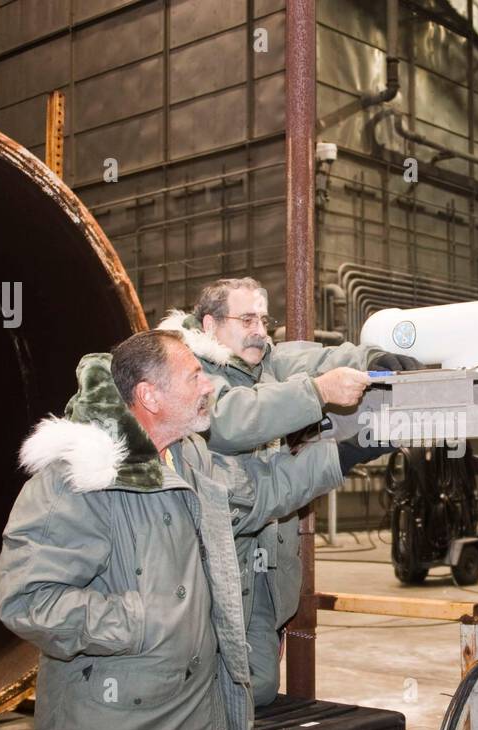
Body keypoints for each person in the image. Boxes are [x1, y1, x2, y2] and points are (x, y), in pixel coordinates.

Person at [0, 329, 345, 730]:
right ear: (150, 397)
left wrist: (349, 451)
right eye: (195, 376)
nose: (210, 384)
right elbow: (29, 599)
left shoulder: (191, 459)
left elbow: (262, 492)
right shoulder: (77, 479)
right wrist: (145, 620)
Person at [159, 276, 417, 706]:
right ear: (209, 324)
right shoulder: (184, 369)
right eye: (246, 319)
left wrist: (374, 359)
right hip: (207, 571)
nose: (259, 329)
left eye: (263, 319)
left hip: (262, 571)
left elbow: (312, 358)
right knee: (208, 693)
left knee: (256, 689)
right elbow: (224, 421)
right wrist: (318, 393)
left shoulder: (261, 361)